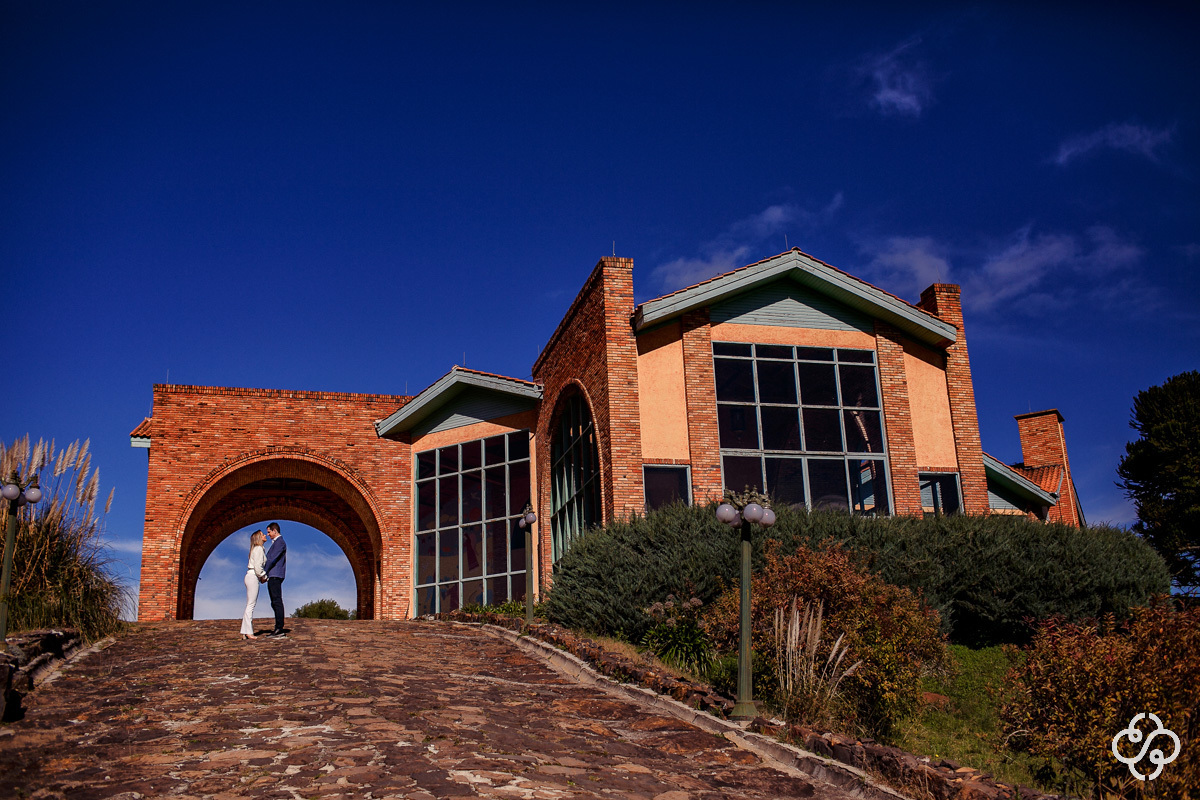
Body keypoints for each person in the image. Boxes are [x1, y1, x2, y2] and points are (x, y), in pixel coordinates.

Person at [240, 530, 268, 640]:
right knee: (250, 605)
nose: (265, 535)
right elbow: (258, 567)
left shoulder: (256, 549)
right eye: (262, 535)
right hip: (253, 576)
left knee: (249, 604)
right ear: (259, 538)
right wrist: (264, 576)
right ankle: (248, 632)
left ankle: (245, 631)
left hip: (251, 576)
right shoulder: (259, 549)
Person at [263, 521, 288, 638]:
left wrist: (263, 572)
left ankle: (279, 628)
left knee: (276, 601)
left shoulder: (279, 542)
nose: (268, 534)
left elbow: (272, 558)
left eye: (269, 532)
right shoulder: (277, 543)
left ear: (275, 531)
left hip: (275, 575)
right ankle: (278, 627)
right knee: (274, 601)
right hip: (273, 575)